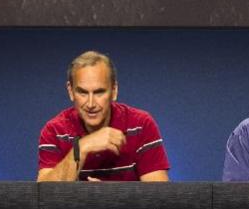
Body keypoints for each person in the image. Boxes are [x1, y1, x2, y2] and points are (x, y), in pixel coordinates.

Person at [37, 51, 169, 181]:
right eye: (82, 92)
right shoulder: (54, 131)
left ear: (114, 91)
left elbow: (159, 198)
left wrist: (107, 197)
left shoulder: (140, 125)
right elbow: (43, 196)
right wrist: (83, 146)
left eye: (99, 92)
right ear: (70, 91)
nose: (90, 104)